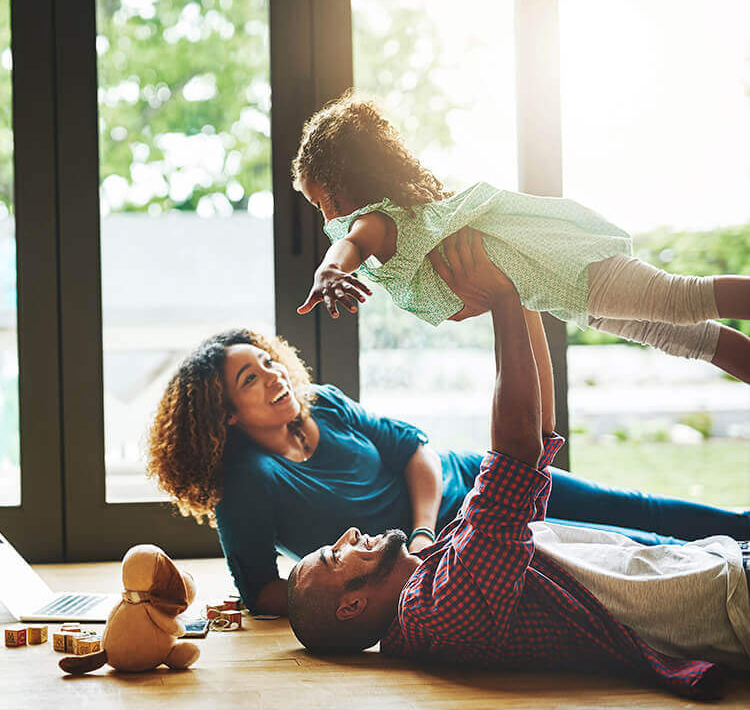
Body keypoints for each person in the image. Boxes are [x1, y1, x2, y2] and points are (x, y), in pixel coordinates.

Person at [146, 231, 750, 618]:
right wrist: (385, 592)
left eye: (269, 361)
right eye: (250, 379)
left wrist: (420, 531)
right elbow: (263, 592)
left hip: (475, 485)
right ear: (223, 412)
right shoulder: (247, 482)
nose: (275, 375)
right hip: (457, 558)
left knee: (638, 509)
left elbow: (416, 451)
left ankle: (744, 530)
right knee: (626, 554)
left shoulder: (322, 404)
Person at [286, 234, 750, 700]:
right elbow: (515, 458)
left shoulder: (432, 578)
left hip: (717, 569)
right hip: (729, 600)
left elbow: (538, 439)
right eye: (334, 555)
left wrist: (521, 296)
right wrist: (502, 300)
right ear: (352, 606)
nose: (348, 535)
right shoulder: (441, 608)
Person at [292, 90, 750, 383]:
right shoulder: (415, 216)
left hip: (569, 268)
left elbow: (349, 244)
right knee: (690, 338)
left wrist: (329, 271)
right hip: (563, 290)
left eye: (322, 203)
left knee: (682, 300)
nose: (326, 218)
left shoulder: (378, 222)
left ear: (347, 181)